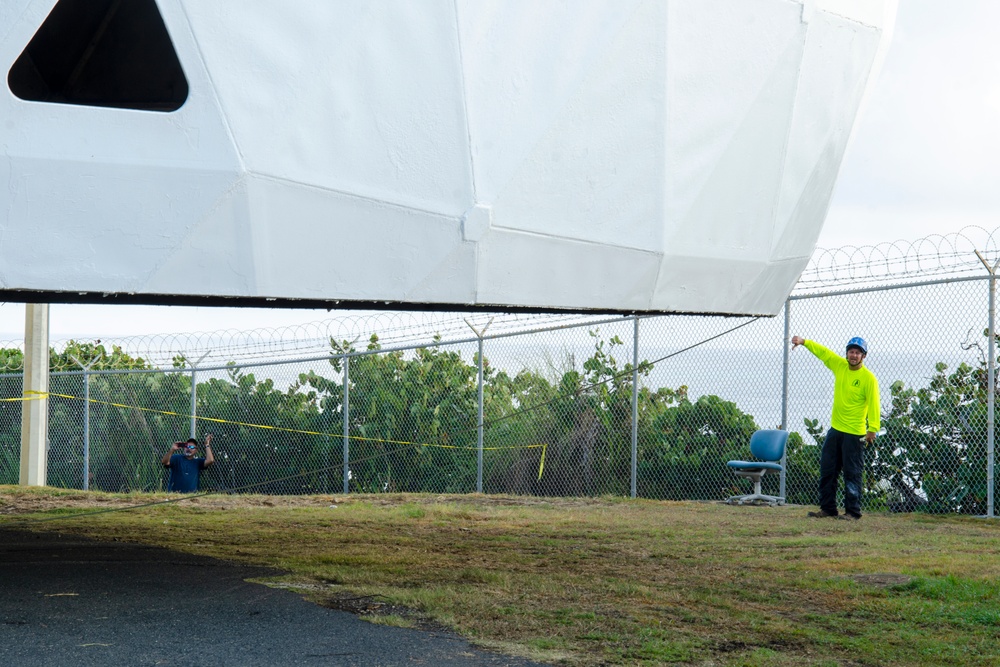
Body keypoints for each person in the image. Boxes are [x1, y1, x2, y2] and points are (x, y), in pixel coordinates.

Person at [791, 336, 880, 520]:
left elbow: (874, 405)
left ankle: (852, 512)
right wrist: (804, 342)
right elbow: (824, 353)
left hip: (854, 434)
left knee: (852, 473)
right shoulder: (839, 365)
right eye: (851, 351)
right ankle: (828, 509)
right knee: (828, 470)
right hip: (835, 430)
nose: (853, 355)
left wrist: (873, 429)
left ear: (864, 356)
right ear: (847, 353)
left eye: (857, 352)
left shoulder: (868, 378)